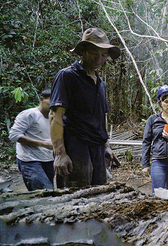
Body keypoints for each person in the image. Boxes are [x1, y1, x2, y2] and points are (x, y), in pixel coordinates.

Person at [49, 27, 121, 188]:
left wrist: (106, 146)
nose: (99, 58)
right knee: (75, 199)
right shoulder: (67, 76)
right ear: (83, 51)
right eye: (95, 52)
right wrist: (60, 154)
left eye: (104, 55)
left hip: (97, 149)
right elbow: (55, 116)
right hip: (75, 146)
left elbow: (100, 117)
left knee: (97, 196)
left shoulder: (100, 82)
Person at [9, 89, 55, 191]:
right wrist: (42, 144)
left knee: (48, 191)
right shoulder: (29, 115)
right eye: (50, 101)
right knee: (45, 190)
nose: (53, 104)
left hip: (48, 159)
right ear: (41, 99)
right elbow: (14, 135)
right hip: (29, 160)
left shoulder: (56, 117)